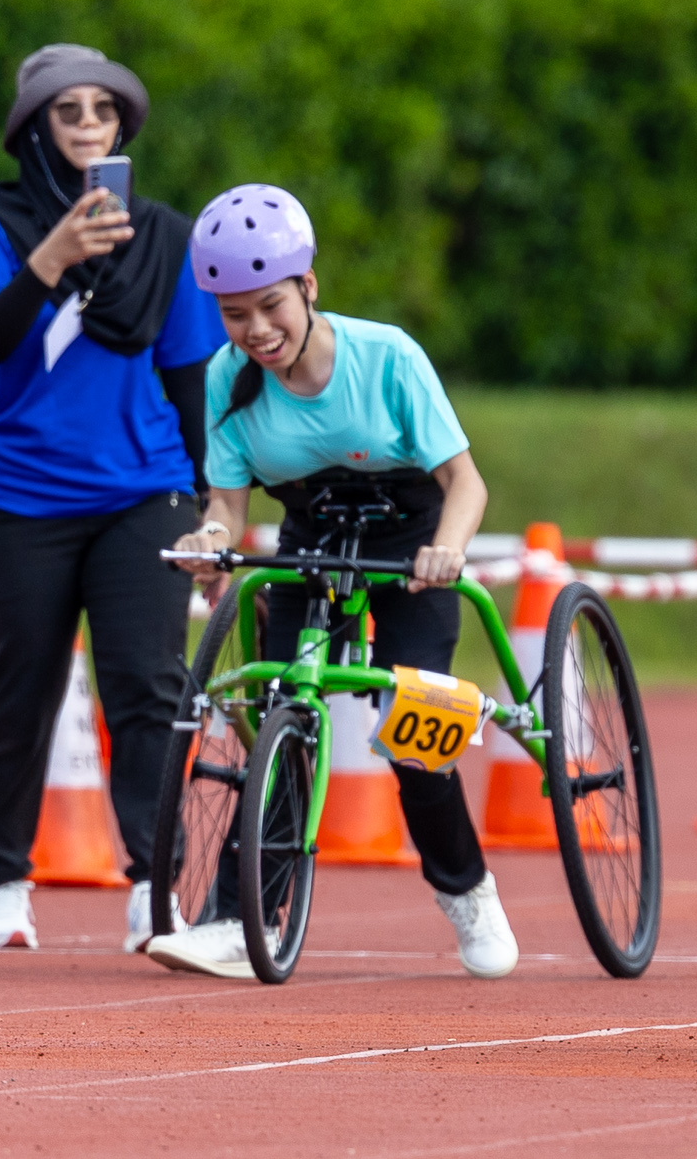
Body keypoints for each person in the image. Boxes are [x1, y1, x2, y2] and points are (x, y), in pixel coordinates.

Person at [143, 183, 517, 981]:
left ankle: (467, 891)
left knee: (417, 730)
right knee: (288, 718)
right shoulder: (224, 379)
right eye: (234, 314)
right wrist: (211, 540)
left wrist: (446, 550)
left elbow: (466, 482)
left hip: (413, 547)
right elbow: (227, 503)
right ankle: (240, 921)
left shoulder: (386, 358)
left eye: (271, 306)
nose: (257, 331)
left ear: (309, 286)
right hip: (312, 542)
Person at [0, 45, 225, 952]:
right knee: (18, 691)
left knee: (146, 687)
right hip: (19, 498)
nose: (90, 125)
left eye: (105, 110)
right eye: (70, 112)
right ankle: (2, 879)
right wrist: (50, 260)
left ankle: (154, 882)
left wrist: (213, 508)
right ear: (35, 128)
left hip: (142, 494)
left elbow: (191, 379)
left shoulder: (167, 238)